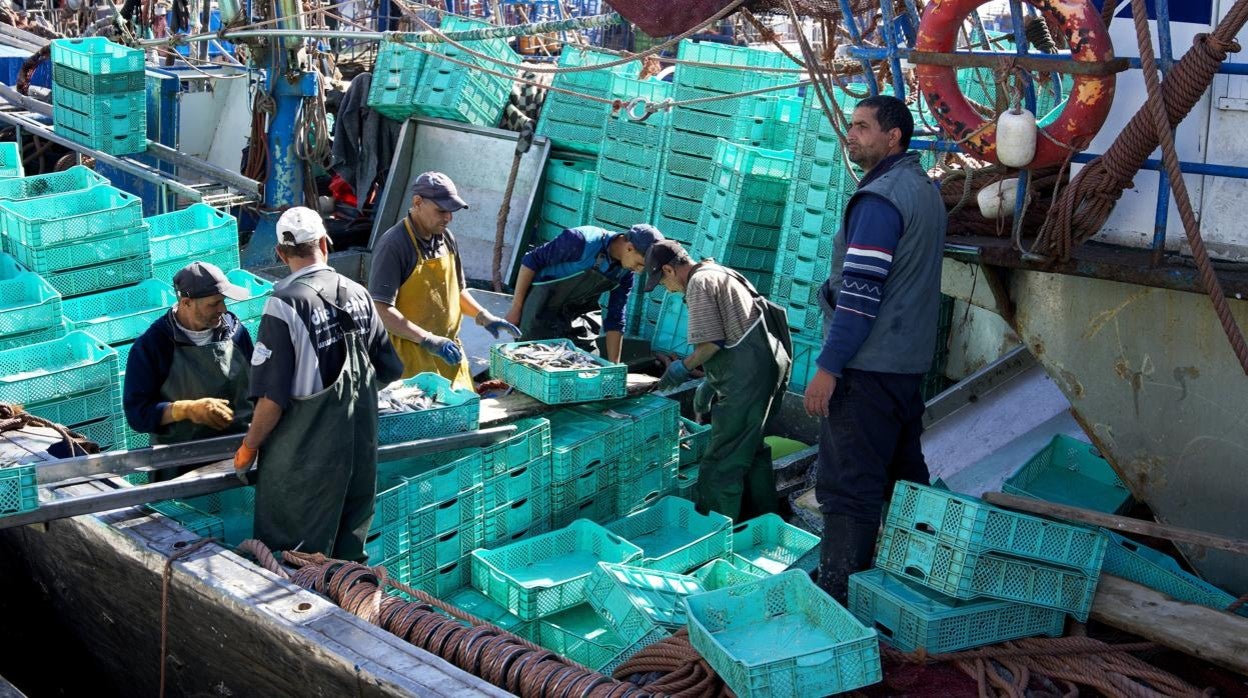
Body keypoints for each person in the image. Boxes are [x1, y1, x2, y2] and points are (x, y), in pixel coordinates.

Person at [803, 95, 946, 601]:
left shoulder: (880, 200)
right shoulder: (924, 191)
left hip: (866, 370)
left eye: (863, 127)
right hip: (906, 370)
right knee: (905, 478)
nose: (853, 134)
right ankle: (924, 580)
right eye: (852, 125)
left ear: (894, 137)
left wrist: (828, 367)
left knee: (849, 489)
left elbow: (859, 297)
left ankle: (839, 596)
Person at [234, 206, 404, 562]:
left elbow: (272, 400)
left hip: (305, 470)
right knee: (346, 568)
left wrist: (248, 447)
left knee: (294, 568)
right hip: (359, 458)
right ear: (325, 243)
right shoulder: (360, 295)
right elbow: (388, 369)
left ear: (281, 254)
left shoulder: (285, 304)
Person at [647, 240, 791, 522]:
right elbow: (736, 330)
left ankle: (714, 536)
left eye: (662, 281)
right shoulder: (719, 271)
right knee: (750, 449)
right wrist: (711, 382)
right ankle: (761, 521)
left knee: (721, 462)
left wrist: (682, 369)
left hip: (748, 378)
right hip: (770, 366)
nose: (667, 289)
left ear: (669, 269)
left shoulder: (699, 283)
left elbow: (711, 344)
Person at [369, 172, 518, 389]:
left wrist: (484, 316)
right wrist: (428, 340)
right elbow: (381, 310)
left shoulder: (446, 238)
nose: (448, 218)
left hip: (449, 354)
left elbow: (457, 291)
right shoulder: (394, 245)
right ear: (417, 202)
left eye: (451, 211)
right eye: (441, 210)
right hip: (410, 361)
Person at [123, 261, 254, 464]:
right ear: (186, 302)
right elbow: (137, 414)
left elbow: (258, 386)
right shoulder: (152, 346)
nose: (223, 309)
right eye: (213, 304)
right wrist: (185, 409)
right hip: (180, 461)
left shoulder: (236, 332)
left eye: (223, 301)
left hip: (240, 452)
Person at [504, 224, 663, 362]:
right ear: (629, 248)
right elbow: (530, 261)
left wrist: (614, 365)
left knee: (585, 366)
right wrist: (516, 308)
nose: (640, 271)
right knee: (532, 361)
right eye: (640, 264)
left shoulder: (625, 274)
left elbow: (616, 319)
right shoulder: (581, 241)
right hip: (540, 309)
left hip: (580, 318)